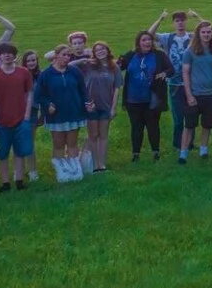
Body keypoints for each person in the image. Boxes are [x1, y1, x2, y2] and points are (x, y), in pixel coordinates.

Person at [33, 46, 89, 183]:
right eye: (64, 55)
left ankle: (75, 170)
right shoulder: (46, 74)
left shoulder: (74, 72)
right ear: (56, 56)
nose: (67, 58)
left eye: (69, 55)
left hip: (74, 112)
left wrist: (87, 103)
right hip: (56, 115)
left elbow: (83, 90)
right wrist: (47, 105)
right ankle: (62, 170)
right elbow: (38, 95)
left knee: (72, 142)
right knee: (58, 144)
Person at [0, 43, 34, 193]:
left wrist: (26, 115)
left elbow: (29, 93)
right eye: (4, 53)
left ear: (14, 56)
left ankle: (19, 180)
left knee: (21, 151)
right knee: (2, 153)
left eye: (10, 53)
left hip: (21, 118)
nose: (7, 56)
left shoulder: (24, 72)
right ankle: (5, 183)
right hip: (2, 120)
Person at [119, 30, 173, 162]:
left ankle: (155, 152)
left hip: (152, 97)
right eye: (144, 40)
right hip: (133, 98)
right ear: (138, 42)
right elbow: (118, 67)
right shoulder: (131, 55)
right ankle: (136, 154)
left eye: (149, 40)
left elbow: (171, 69)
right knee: (136, 127)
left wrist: (164, 74)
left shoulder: (159, 55)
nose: (147, 42)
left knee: (153, 126)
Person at [179, 20, 212, 163]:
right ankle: (183, 153)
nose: (206, 35)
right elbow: (185, 73)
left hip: (210, 94)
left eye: (209, 32)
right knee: (189, 125)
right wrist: (189, 95)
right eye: (203, 32)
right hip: (194, 94)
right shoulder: (190, 52)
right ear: (198, 33)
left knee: (207, 125)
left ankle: (203, 150)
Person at [155, 10, 196, 157]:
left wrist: (197, 17)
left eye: (183, 20)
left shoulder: (192, 37)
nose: (180, 23)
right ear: (174, 23)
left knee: (191, 114)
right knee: (178, 117)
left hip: (191, 83)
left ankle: (190, 143)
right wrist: (160, 19)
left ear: (186, 22)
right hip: (174, 83)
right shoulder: (167, 38)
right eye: (177, 20)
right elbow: (149, 34)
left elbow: (210, 30)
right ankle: (178, 144)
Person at [83, 40, 120, 172]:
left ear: (107, 51)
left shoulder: (114, 67)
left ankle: (102, 164)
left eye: (102, 49)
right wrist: (85, 59)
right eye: (97, 50)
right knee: (93, 134)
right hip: (91, 106)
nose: (100, 52)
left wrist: (113, 108)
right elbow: (71, 65)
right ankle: (93, 165)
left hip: (106, 106)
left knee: (103, 136)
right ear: (94, 53)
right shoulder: (89, 66)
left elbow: (116, 88)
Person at [19, 49, 44, 182]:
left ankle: (33, 171)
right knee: (19, 142)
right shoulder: (19, 75)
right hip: (18, 111)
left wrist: (43, 114)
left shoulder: (40, 76)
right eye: (28, 60)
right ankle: (20, 171)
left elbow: (44, 95)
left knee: (29, 142)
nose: (31, 63)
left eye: (33, 60)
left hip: (33, 110)